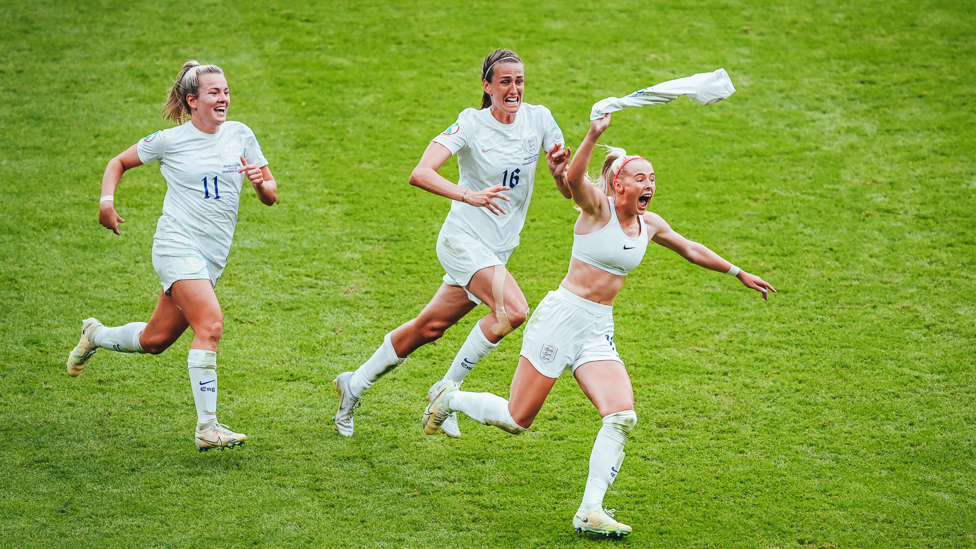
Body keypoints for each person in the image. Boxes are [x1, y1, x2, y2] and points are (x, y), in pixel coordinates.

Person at [422, 113, 776, 537]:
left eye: (653, 178)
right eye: (640, 177)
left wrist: (738, 272)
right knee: (518, 420)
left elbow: (690, 248)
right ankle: (450, 399)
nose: (649, 185)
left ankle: (590, 510)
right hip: (560, 319)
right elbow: (573, 178)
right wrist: (593, 133)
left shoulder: (650, 223)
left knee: (621, 415)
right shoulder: (596, 209)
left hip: (596, 327)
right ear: (619, 185)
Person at [332, 49, 569, 438]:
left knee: (430, 327)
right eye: (505, 81)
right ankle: (446, 392)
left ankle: (352, 386)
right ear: (487, 86)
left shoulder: (540, 119)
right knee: (513, 310)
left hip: (497, 249)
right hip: (462, 240)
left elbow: (565, 190)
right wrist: (467, 195)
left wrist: (561, 174)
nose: (514, 89)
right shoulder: (471, 124)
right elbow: (420, 172)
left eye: (519, 80)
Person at [65, 61, 278, 452]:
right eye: (214, 93)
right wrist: (106, 202)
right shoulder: (169, 140)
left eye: (226, 91)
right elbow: (118, 163)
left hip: (212, 258)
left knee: (155, 340)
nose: (224, 99)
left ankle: (94, 334)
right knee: (210, 325)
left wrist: (262, 184)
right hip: (176, 247)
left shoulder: (241, 135)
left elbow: (270, 195)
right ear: (192, 101)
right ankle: (207, 427)